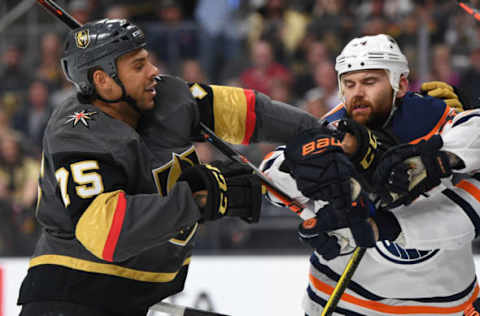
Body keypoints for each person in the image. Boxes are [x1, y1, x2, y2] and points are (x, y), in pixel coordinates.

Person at [16, 19, 323, 316]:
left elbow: (249, 113)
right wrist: (198, 198)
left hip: (127, 299)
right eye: (138, 66)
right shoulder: (78, 131)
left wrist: (324, 137)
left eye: (147, 60)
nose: (153, 71)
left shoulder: (161, 96)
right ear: (102, 80)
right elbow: (107, 232)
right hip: (70, 298)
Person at [260, 33, 480, 315]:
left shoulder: (433, 117)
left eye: (369, 82)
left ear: (400, 84)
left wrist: (437, 160)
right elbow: (272, 176)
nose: (357, 93)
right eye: (349, 84)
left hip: (443, 303)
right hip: (345, 300)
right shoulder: (332, 131)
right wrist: (309, 175)